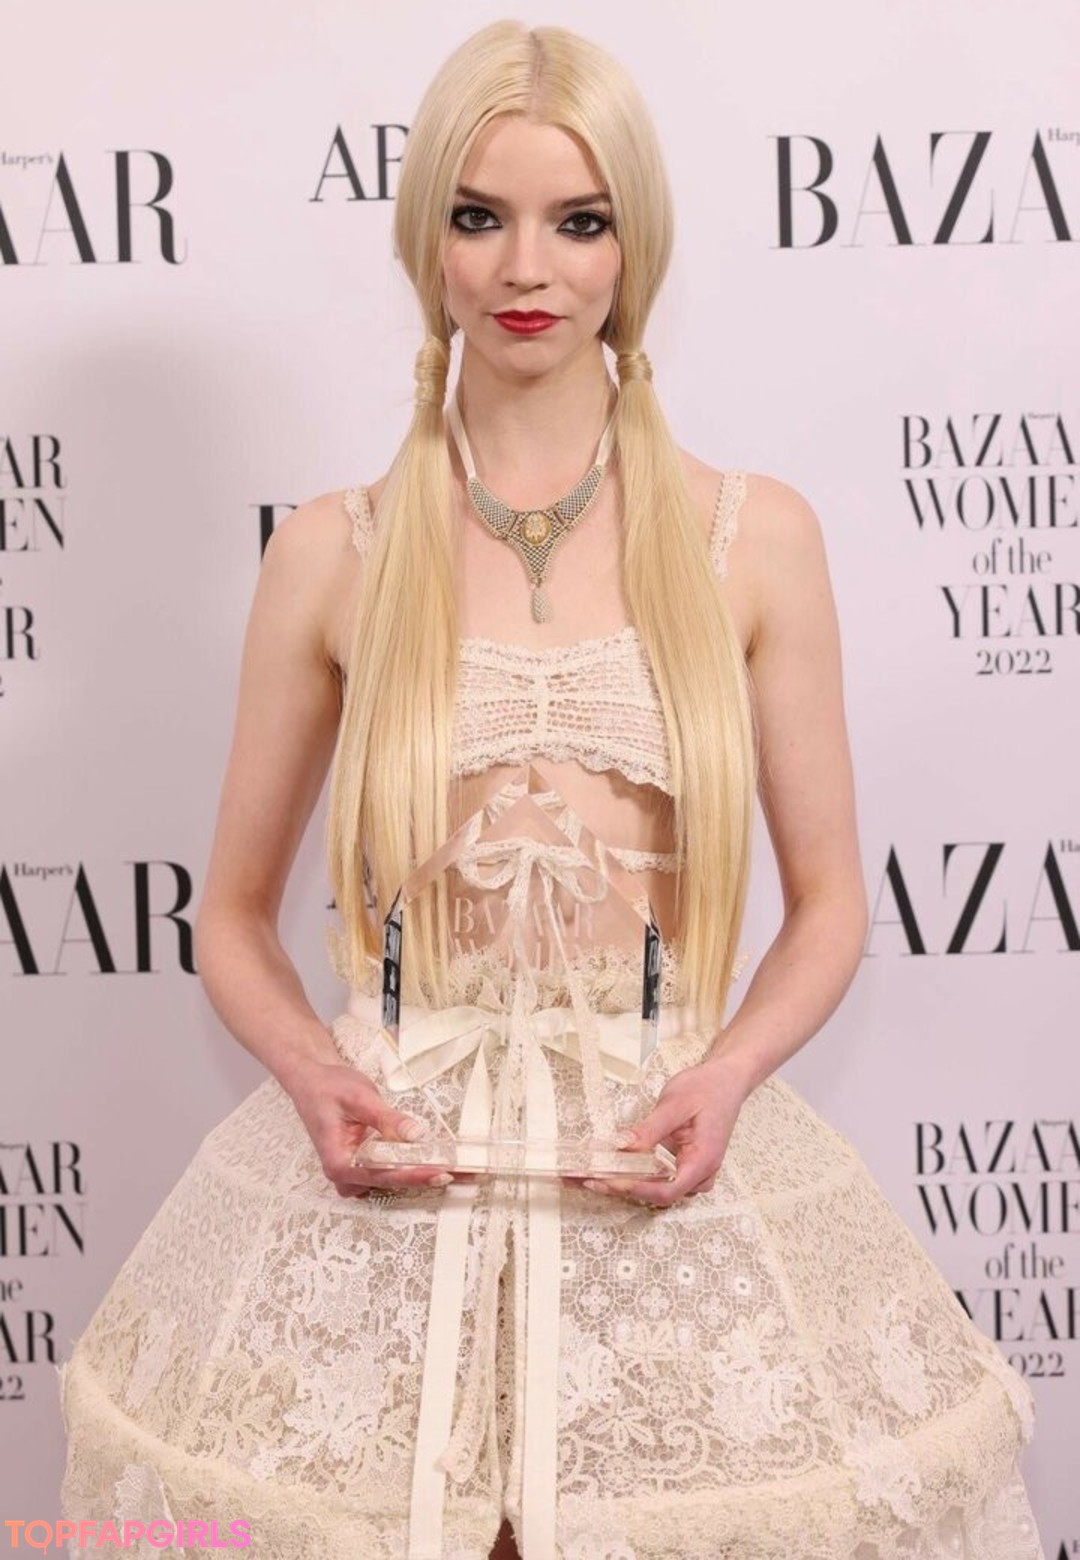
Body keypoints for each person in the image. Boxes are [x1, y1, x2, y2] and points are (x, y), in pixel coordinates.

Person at [59, 19, 1045, 1560]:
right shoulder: (330, 552)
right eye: (481, 216)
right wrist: (317, 1077)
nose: (529, 267)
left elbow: (831, 901)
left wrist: (728, 1074)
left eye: (578, 221)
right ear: (426, 242)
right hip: (395, 1176)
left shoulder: (754, 540)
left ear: (632, 245)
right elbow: (232, 918)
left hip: (653, 1159)